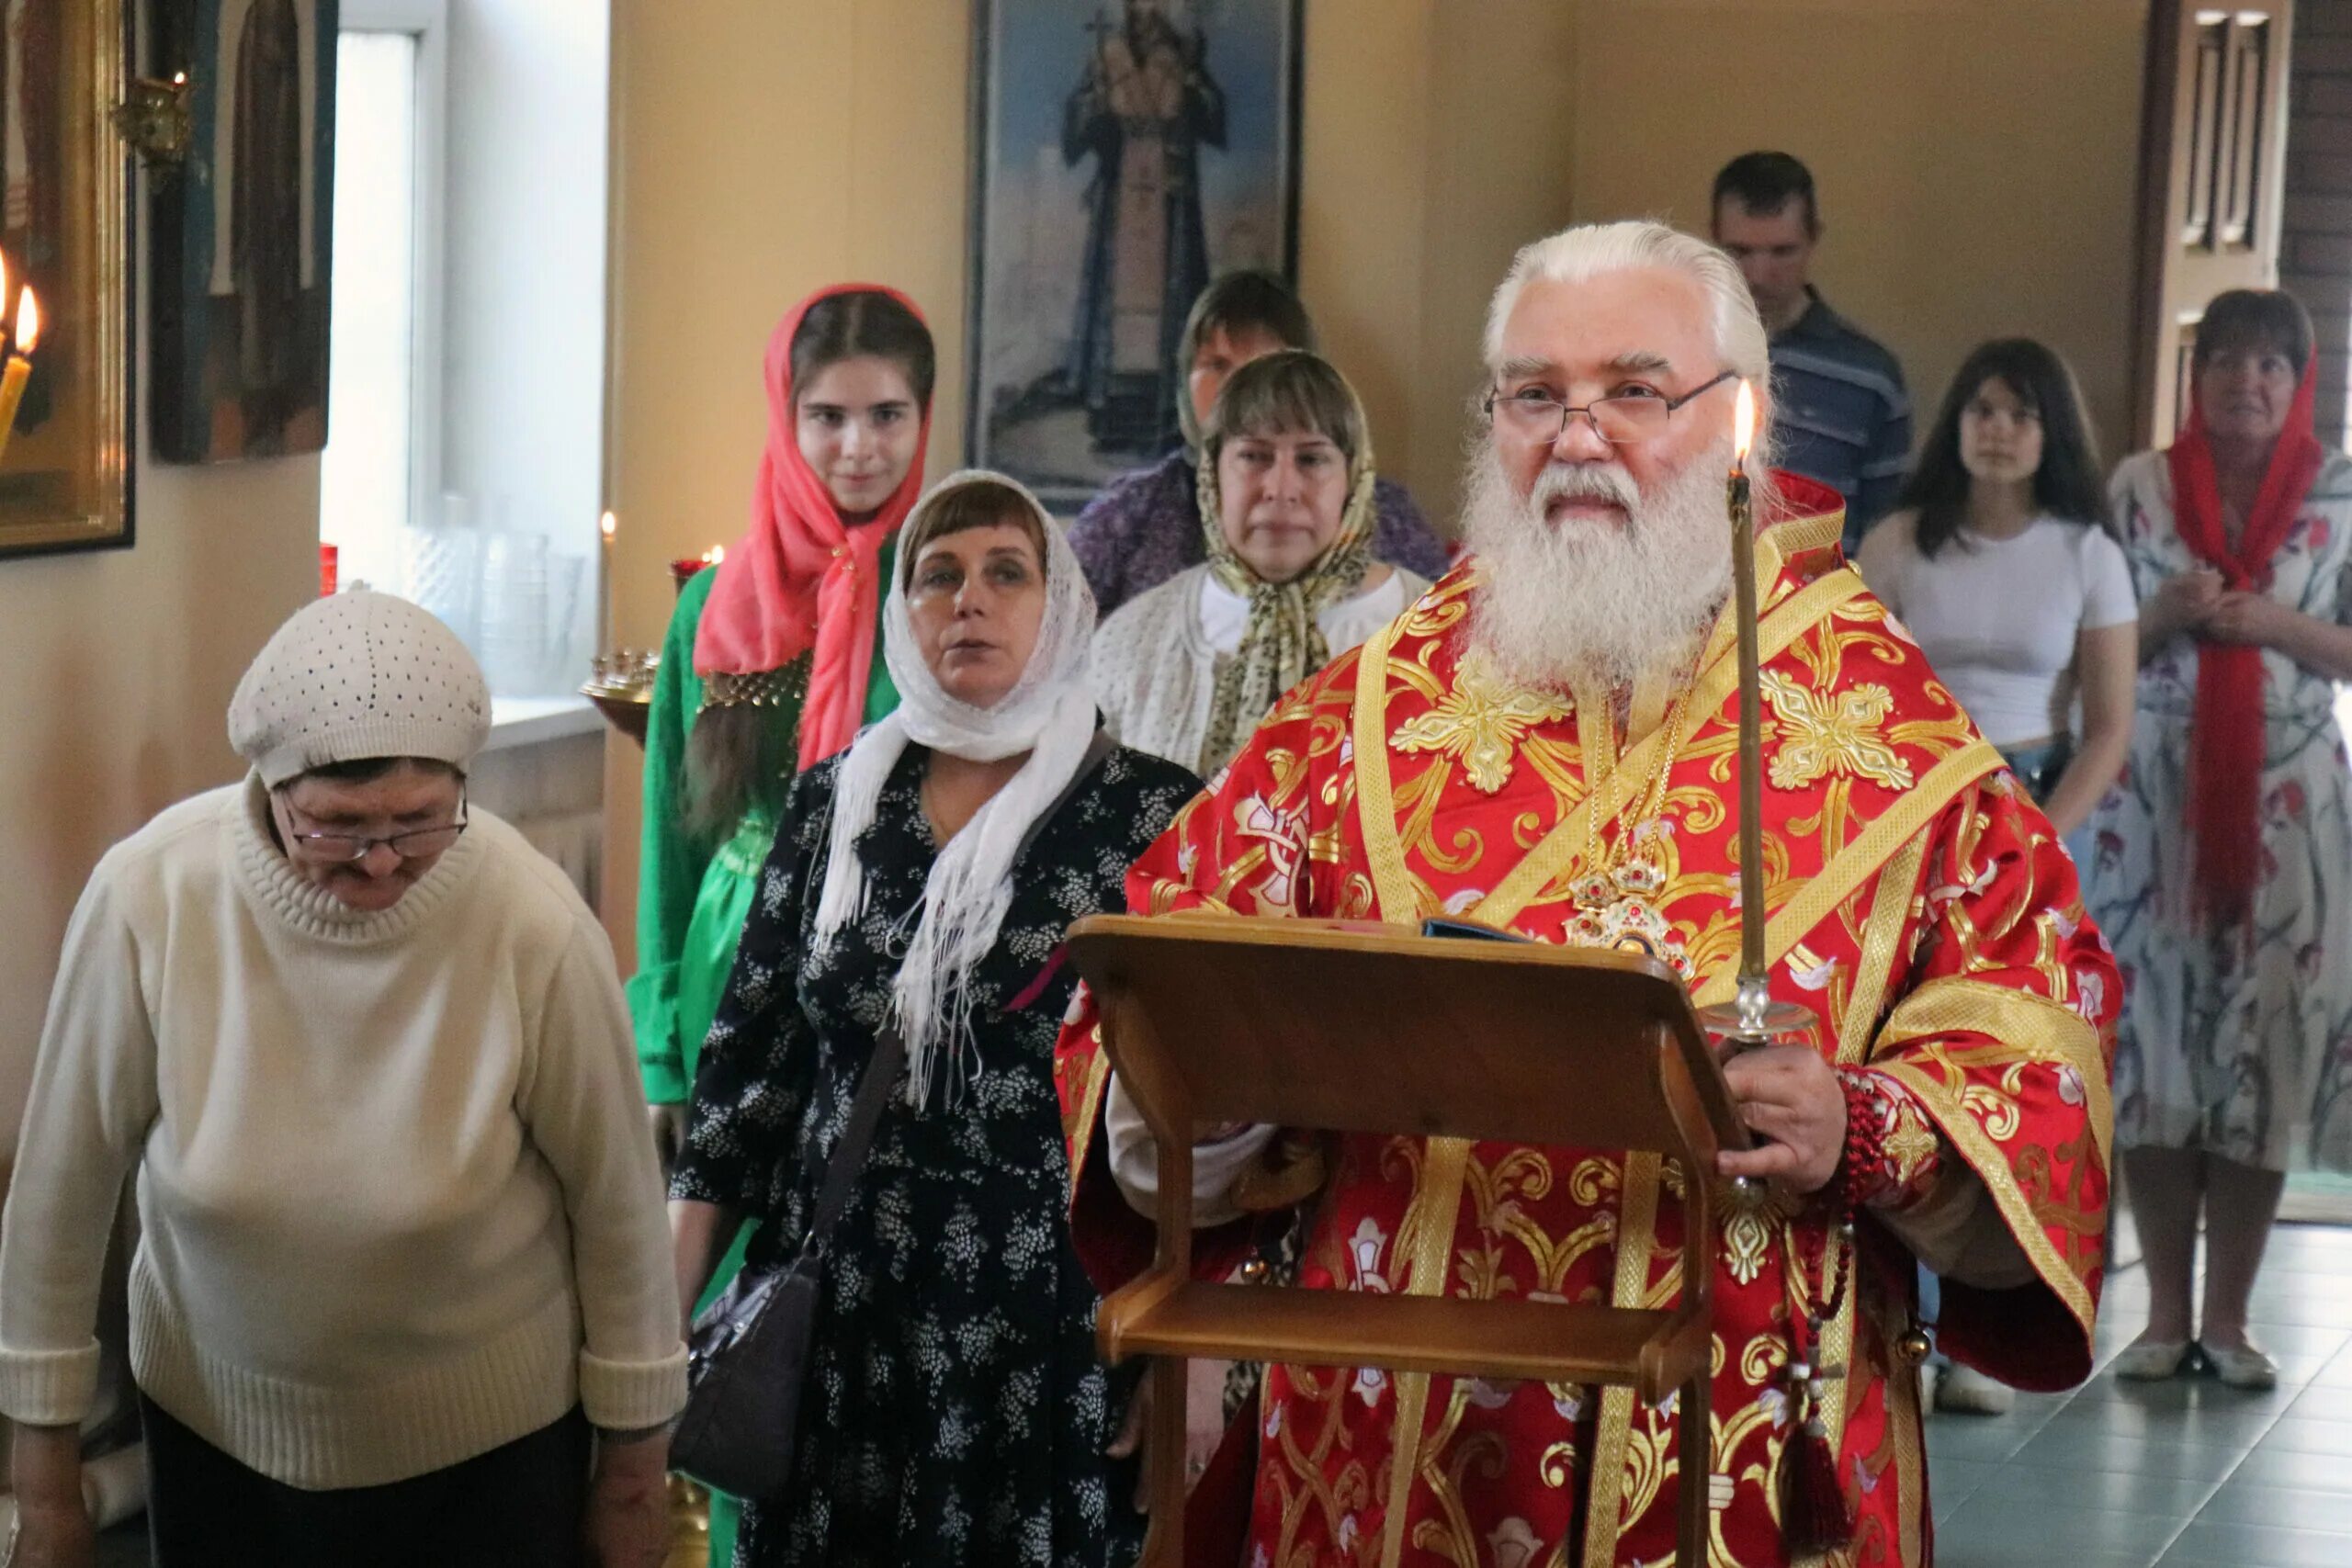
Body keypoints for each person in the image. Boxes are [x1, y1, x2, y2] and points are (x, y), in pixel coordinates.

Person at [1058, 220, 2117, 1566]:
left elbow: (2044, 1034)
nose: (1576, 435)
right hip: (1389, 1441)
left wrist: (1869, 1120)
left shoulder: (1889, 737)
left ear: (1743, 412)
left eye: (1632, 390)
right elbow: (1144, 1005)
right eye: (1534, 395)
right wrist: (1249, 1072)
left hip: (1731, 1430)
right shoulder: (1363, 717)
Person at [0, 591, 685, 1568]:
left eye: (418, 822)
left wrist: (632, 1474)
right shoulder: (151, 897)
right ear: (269, 787)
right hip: (215, 1442)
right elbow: (57, 1200)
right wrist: (44, 1487)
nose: (379, 863)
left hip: (488, 1457)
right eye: (336, 826)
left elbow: (619, 1209)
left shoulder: (532, 923)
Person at [669, 472, 1199, 1566]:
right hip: (840, 1320)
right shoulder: (834, 802)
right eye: (937, 576)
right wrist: (655, 1325)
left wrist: (1183, 1354)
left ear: (1059, 610)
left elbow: (1202, 1107)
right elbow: (745, 1081)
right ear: (900, 616)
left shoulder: (1150, 814)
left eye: (1008, 573)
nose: (969, 600)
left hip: (1047, 1331)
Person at [628, 282, 933, 1565]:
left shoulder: (956, 578)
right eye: (828, 416)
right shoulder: (719, 605)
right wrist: (660, 1050)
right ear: (784, 415)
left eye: (887, 414)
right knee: (745, 1293)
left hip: (900, 979)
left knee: (878, 1277)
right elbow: (668, 835)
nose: (857, 447)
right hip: (732, 976)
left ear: (927, 414)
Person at [1858, 339, 2137, 1417]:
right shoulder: (1896, 543)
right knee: (1904, 1063)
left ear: (2049, 431)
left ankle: (1988, 1333)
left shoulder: (2085, 553)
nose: (1999, 428)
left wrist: (2040, 841)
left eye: (2021, 411)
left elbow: (2107, 727)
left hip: (2035, 809)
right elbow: (1862, 694)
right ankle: (1910, 1321)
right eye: (1980, 407)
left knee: (2016, 1076)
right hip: (1914, 814)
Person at [2089, 288, 2352, 1391]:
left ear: (2298, 388)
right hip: (2148, 803)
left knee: (2260, 1048)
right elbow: (2089, 638)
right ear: (2197, 381)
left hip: (2287, 814)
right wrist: (2162, 620)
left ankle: (2231, 1320)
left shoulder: (2340, 493)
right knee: (2151, 1047)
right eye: (2227, 363)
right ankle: (2159, 1318)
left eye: (2269, 369)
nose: (2245, 383)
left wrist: (2276, 626)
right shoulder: (2137, 488)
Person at [1091, 349, 1432, 776]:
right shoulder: (1131, 642)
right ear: (1214, 475)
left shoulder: (1434, 637)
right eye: (1254, 456)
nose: (1280, 488)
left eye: (1311, 459)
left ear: (1353, 479)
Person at [1068, 271, 1450, 616]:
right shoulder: (1132, 512)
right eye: (1217, 364)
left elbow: (1451, 640)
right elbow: (1049, 631)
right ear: (1185, 377)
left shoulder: (1387, 516)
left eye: (1262, 365)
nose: (1239, 387)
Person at [1712, 152, 1910, 553]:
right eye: (1740, 252)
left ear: (1814, 238)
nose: (1758, 275)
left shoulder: (1870, 377)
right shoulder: (1676, 352)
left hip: (1817, 604)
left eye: (1782, 252)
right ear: (1713, 239)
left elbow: (1886, 536)